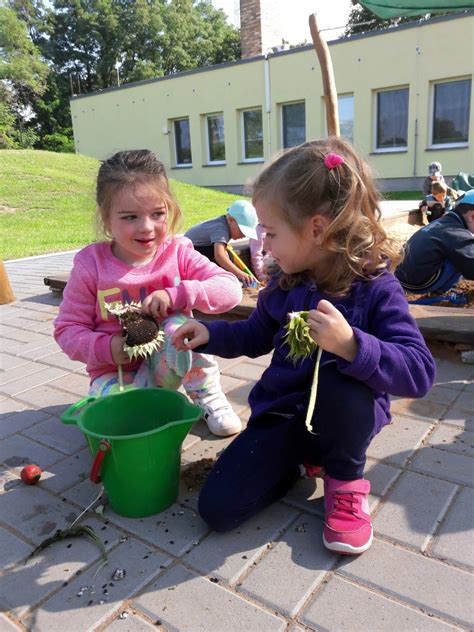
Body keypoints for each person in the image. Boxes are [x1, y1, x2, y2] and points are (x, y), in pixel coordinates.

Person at [172, 138, 436, 555]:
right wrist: (210, 333)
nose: (264, 243)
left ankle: (345, 483)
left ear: (316, 228)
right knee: (218, 509)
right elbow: (256, 334)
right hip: (282, 417)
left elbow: (420, 372)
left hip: (343, 424)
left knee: (338, 374)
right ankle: (298, 463)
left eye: (271, 232)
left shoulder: (375, 290)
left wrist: (352, 345)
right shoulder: (285, 282)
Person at [54, 149, 243, 437]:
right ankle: (148, 404)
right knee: (124, 423)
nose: (147, 228)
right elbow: (67, 330)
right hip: (114, 371)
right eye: (130, 216)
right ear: (106, 218)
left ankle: (205, 392)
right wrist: (107, 349)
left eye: (158, 213)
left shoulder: (178, 252)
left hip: (170, 362)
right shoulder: (91, 265)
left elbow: (230, 290)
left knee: (183, 327)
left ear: (170, 208)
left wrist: (178, 294)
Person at [395, 190, 474, 294]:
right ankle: (441, 291)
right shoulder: (456, 232)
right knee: (461, 255)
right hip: (417, 284)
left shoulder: (445, 222)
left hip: (402, 277)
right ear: (471, 216)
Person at [185, 200, 258, 286]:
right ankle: (220, 281)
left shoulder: (224, 224)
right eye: (242, 231)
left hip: (197, 249)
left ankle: (228, 279)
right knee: (220, 255)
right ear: (231, 220)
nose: (244, 235)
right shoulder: (220, 229)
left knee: (227, 255)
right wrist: (239, 273)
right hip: (189, 253)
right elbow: (219, 256)